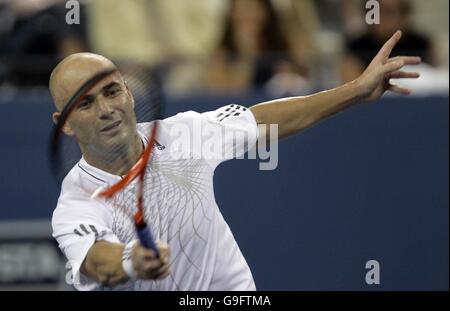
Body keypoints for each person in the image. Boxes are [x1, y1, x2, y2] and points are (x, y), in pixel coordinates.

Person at [50, 30, 421, 290]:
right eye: (86, 103)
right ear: (64, 124)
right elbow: (97, 261)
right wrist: (133, 260)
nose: (106, 109)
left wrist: (357, 89)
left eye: (112, 91)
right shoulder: (76, 204)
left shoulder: (184, 134)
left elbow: (265, 120)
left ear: (129, 94)